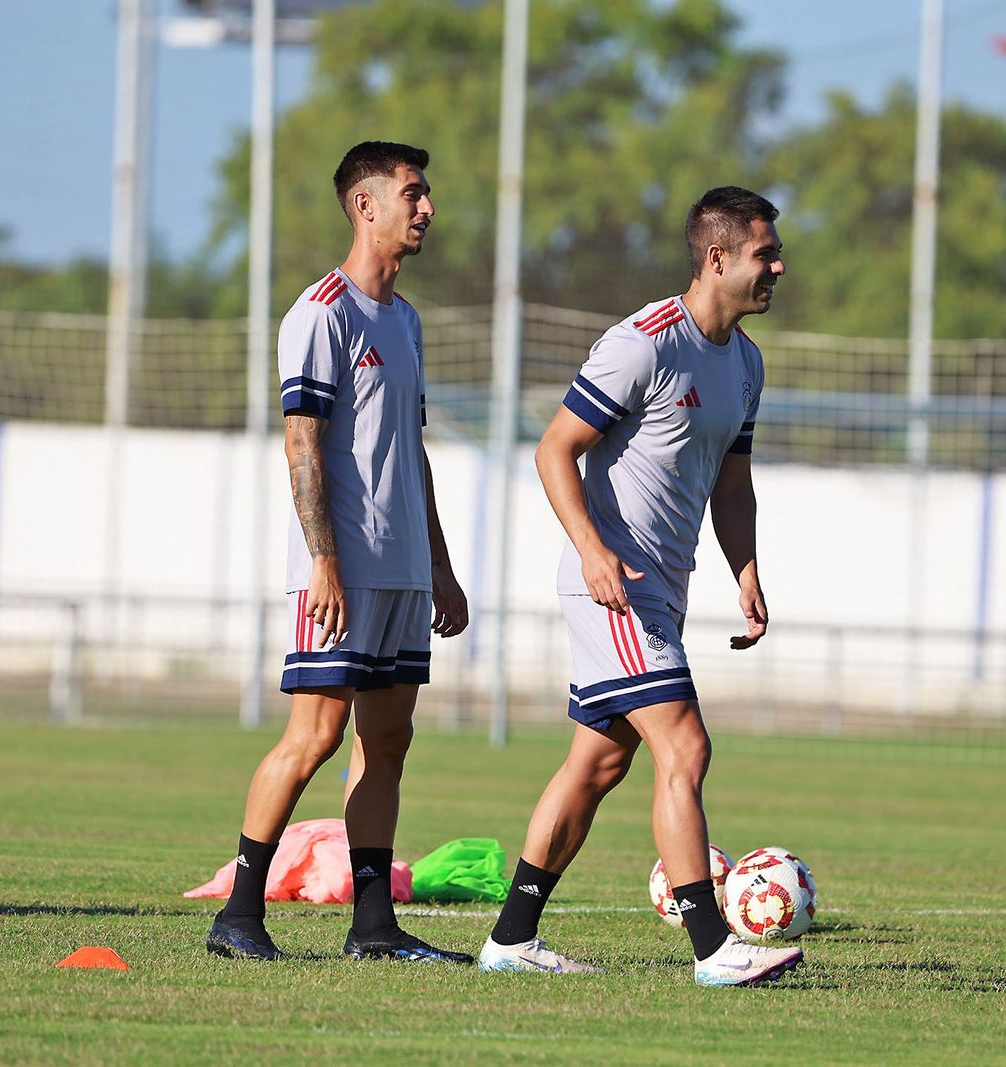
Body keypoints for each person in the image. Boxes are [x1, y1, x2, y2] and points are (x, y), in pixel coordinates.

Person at [476, 186, 803, 987]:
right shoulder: (644, 342)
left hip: (666, 588)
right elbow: (555, 448)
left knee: (597, 764)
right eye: (766, 252)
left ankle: (510, 940)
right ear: (717, 258)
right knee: (686, 745)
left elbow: (733, 484)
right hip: (612, 584)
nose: (779, 266)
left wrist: (748, 572)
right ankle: (713, 948)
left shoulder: (747, 364)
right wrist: (591, 553)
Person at [206, 141, 472, 964]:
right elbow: (303, 443)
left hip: (400, 573)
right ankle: (239, 914)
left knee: (387, 741)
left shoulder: (405, 319)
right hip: (342, 571)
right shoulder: (322, 312)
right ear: (366, 206)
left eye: (426, 195)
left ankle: (372, 926)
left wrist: (440, 562)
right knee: (314, 736)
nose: (426, 209)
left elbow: (411, 450)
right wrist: (322, 559)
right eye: (413, 194)